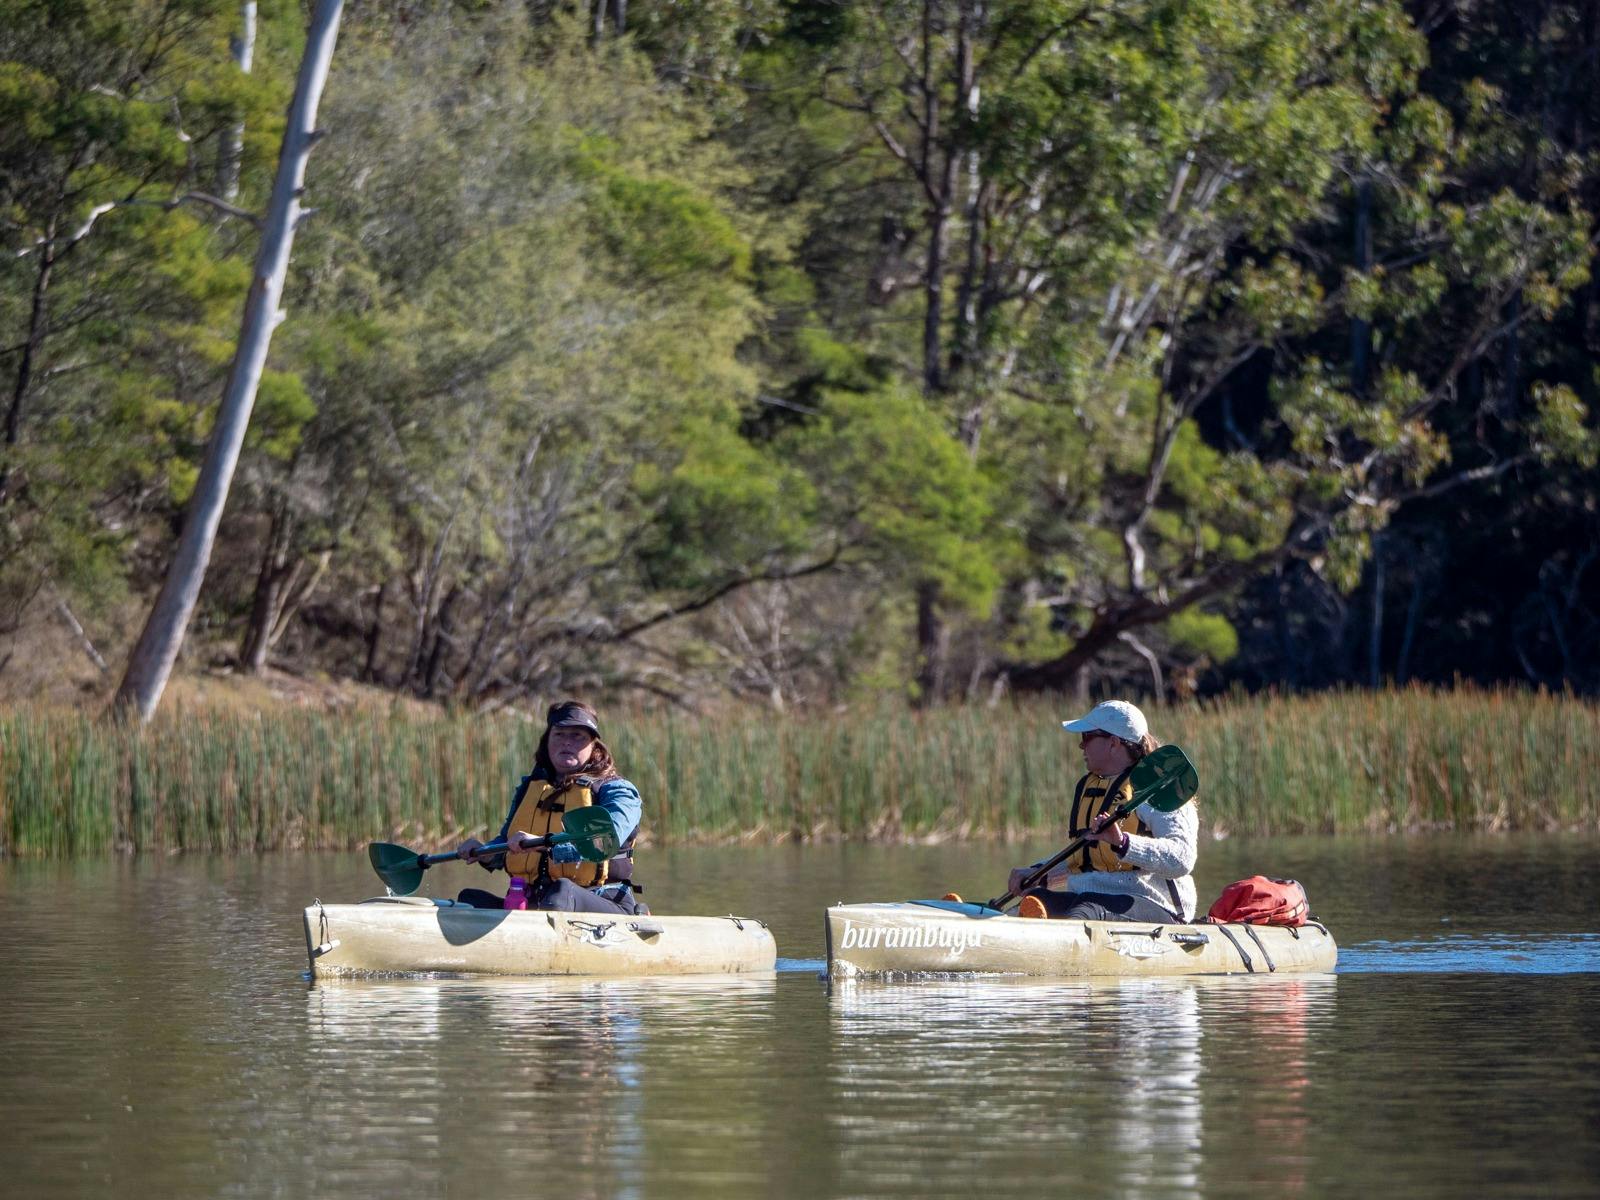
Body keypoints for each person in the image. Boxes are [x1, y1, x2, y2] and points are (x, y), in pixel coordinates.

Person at [1005, 699, 1197, 922]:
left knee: (1086, 911)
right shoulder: (1095, 788)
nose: (1081, 746)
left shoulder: (1159, 790)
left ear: (1114, 743)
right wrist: (1039, 873)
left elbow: (1182, 858)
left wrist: (1123, 843)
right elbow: (1084, 858)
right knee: (1037, 900)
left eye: (1087, 737)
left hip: (1155, 904)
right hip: (1092, 898)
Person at [454, 700, 647, 915]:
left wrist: (545, 846)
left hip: (604, 903)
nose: (567, 742)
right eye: (560, 735)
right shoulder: (531, 788)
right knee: (469, 900)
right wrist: (484, 852)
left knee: (561, 891)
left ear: (594, 746)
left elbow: (604, 842)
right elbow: (507, 845)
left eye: (577, 736)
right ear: (547, 742)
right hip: (537, 901)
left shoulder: (617, 790)